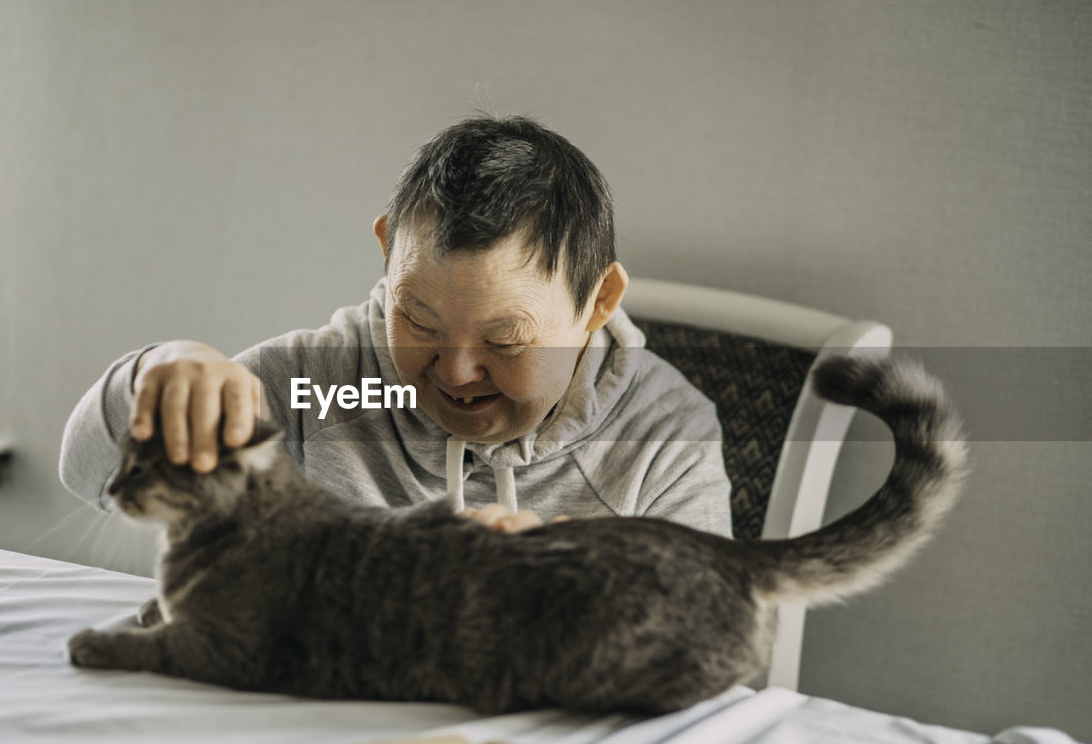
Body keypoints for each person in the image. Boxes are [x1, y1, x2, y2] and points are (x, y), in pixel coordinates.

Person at [60, 115, 731, 536]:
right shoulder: (325, 389)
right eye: (416, 318)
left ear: (600, 301)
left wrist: (557, 584)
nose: (457, 371)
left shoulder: (665, 435)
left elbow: (709, 650)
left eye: (506, 339)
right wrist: (158, 373)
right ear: (387, 251)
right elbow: (86, 472)